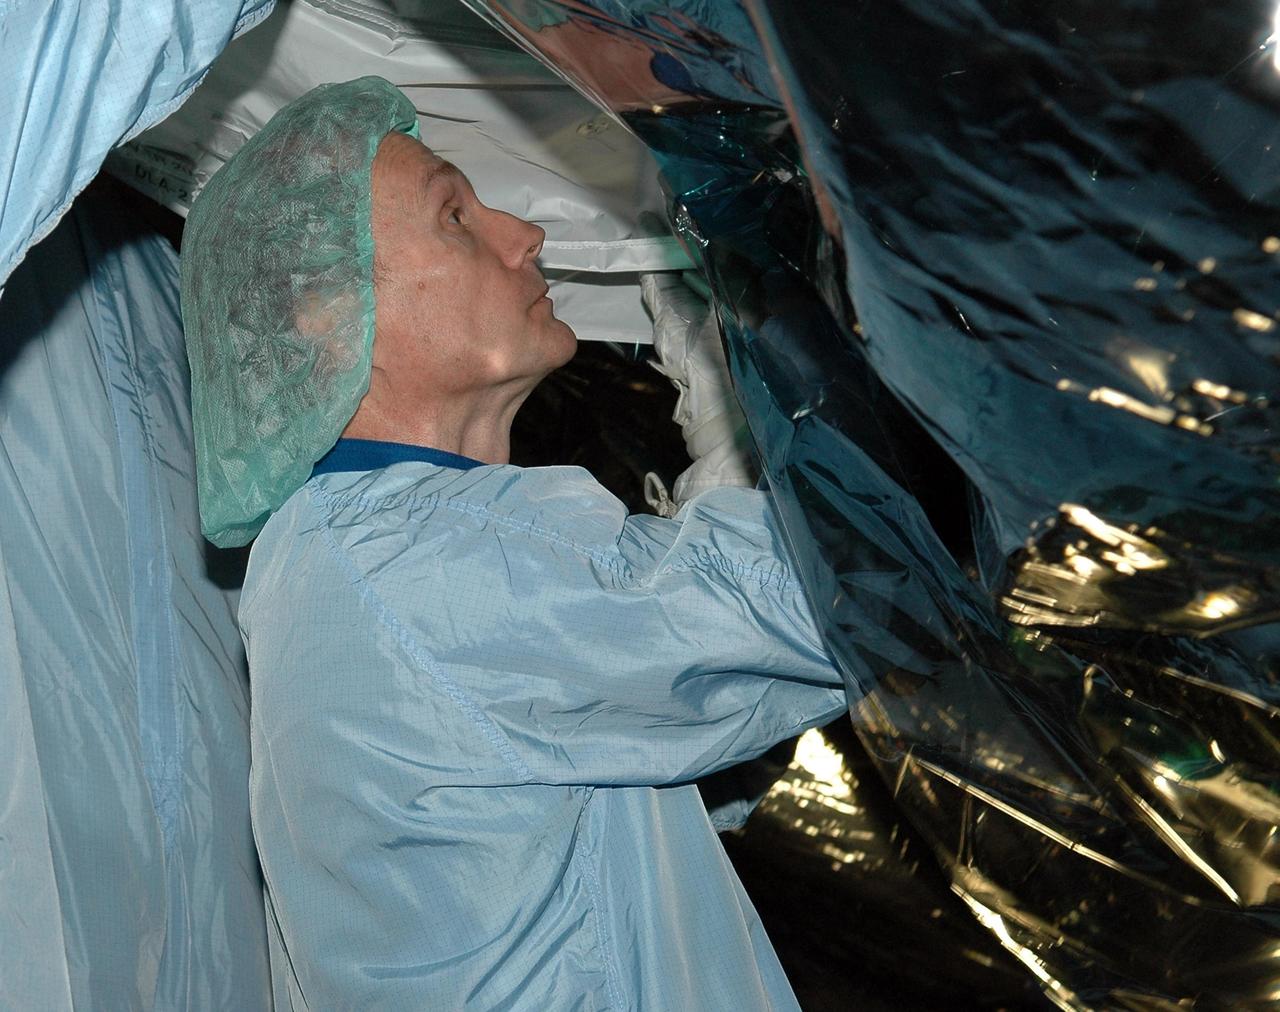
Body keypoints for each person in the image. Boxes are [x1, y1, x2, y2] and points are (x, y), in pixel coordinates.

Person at [182, 76, 849, 1010]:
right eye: (455, 214)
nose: (523, 234)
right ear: (328, 320)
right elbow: (812, 600)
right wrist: (750, 402)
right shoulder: (403, 558)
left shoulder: (340, 561)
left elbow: (641, 773)